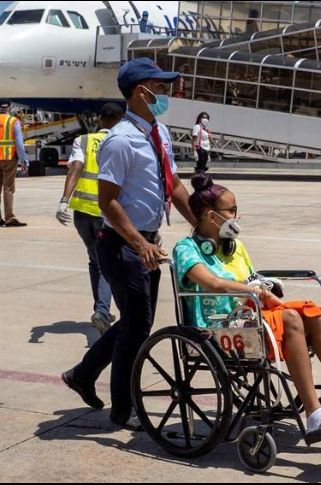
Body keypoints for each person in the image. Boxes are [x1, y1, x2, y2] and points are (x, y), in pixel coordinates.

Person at [174, 172, 321, 437]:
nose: (236, 216)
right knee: (291, 318)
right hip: (217, 327)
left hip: (249, 316)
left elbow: (251, 278)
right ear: (211, 216)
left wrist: (264, 283)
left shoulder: (234, 247)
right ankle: (314, 414)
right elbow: (212, 283)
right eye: (231, 210)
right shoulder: (186, 248)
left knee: (312, 313)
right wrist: (251, 289)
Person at [61, 58, 198, 429]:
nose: (167, 94)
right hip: (122, 245)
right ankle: (124, 409)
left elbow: (174, 184)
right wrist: (139, 243)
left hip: (146, 243)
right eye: (162, 87)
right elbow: (108, 202)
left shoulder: (160, 133)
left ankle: (83, 374)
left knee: (136, 322)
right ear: (142, 92)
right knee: (137, 326)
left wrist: (202, 226)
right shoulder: (120, 140)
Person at [55, 103, 124, 334]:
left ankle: (100, 309)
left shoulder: (83, 140)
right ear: (120, 120)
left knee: (96, 260)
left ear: (100, 120)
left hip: (82, 212)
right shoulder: (122, 141)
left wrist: (64, 200)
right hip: (107, 212)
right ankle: (103, 311)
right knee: (107, 263)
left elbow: (74, 167)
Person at [0, 99, 29, 228]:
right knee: (8, 188)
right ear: (10, 107)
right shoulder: (13, 121)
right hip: (9, 159)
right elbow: (19, 143)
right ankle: (9, 218)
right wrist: (24, 160)